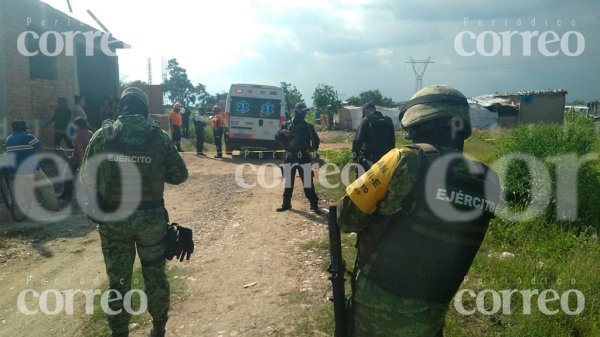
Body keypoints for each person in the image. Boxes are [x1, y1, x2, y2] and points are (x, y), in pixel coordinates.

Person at [337, 85, 500, 337]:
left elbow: (346, 218)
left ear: (416, 123)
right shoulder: (488, 180)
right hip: (433, 309)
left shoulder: (403, 159)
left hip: (378, 305)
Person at [79, 87, 189, 337]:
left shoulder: (102, 135)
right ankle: (159, 328)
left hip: (114, 222)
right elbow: (180, 175)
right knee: (155, 275)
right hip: (151, 221)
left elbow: (86, 177)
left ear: (121, 108)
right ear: (144, 109)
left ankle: (119, 332)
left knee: (118, 279)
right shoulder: (158, 136)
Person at [275, 102, 321, 213]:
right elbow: (276, 136)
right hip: (289, 157)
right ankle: (286, 204)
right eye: (302, 111)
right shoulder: (286, 125)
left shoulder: (308, 126)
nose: (304, 113)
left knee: (308, 183)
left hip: (303, 157)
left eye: (305, 111)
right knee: (288, 183)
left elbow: (316, 141)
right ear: (296, 111)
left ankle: (314, 205)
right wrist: (282, 132)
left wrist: (311, 148)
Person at [5, 120, 59, 212]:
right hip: (31, 169)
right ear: (24, 128)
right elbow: (42, 147)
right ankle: (54, 208)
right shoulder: (28, 137)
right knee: (46, 186)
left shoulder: (8, 139)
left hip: (16, 171)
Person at [351, 102, 395, 170]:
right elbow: (392, 142)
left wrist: (354, 157)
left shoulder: (366, 120)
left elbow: (357, 142)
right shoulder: (388, 120)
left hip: (368, 160)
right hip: (385, 159)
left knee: (362, 180)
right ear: (374, 109)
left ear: (365, 111)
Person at [61, 117, 93, 200]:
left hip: (76, 159)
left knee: (67, 175)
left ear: (79, 125)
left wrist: (81, 161)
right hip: (88, 159)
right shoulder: (90, 133)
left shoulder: (78, 134)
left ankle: (67, 195)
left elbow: (79, 148)